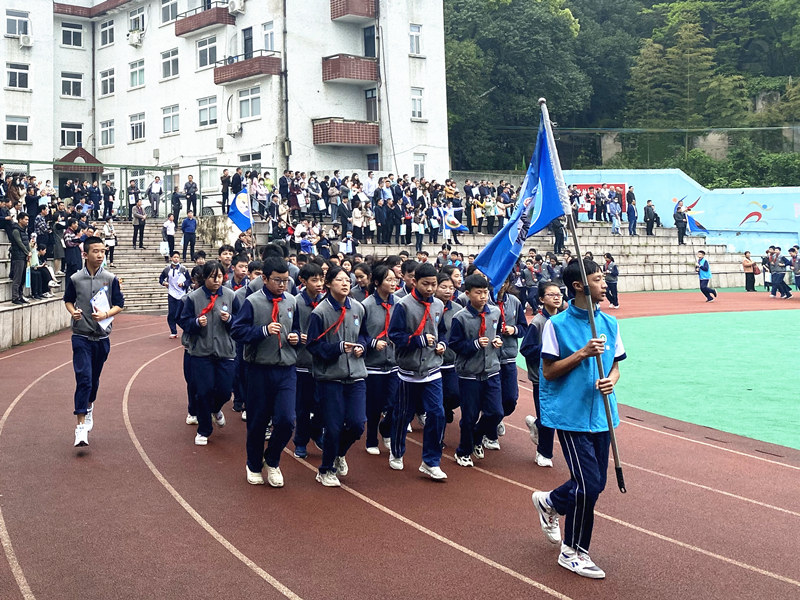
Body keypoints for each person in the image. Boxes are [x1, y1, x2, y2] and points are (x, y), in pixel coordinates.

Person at [532, 258, 626, 579]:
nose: (604, 284)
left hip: (602, 415)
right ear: (579, 286)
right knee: (588, 486)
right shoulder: (555, 326)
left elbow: (616, 364)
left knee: (594, 483)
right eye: (598, 279)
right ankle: (573, 551)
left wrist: (612, 379)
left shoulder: (610, 323)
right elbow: (548, 371)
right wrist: (582, 354)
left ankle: (551, 502)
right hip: (570, 416)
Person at [230, 257, 300, 487]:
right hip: (259, 369)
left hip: (286, 368)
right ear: (264, 279)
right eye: (277, 280)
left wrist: (296, 337)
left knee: (287, 420)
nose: (282, 285)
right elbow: (237, 332)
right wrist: (262, 330)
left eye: (286, 280)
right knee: (258, 421)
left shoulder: (291, 302)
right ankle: (253, 464)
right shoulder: (252, 302)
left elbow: (297, 329)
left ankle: (272, 459)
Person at [306, 266, 368, 487]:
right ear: (329, 283)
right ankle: (325, 469)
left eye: (347, 280)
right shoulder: (320, 313)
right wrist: (337, 348)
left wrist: (362, 346)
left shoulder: (358, 309)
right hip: (330, 377)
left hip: (357, 375)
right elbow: (313, 345)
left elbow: (364, 335)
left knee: (357, 424)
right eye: (339, 280)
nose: (345, 283)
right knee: (332, 427)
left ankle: (339, 453)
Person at [386, 262, 448, 480]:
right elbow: (394, 335)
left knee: (437, 414)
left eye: (433, 284)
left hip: (432, 369)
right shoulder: (403, 305)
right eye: (426, 284)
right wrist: (417, 340)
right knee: (403, 415)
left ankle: (431, 461)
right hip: (408, 371)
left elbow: (442, 332)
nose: (430, 289)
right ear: (414, 282)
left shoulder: (440, 305)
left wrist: (443, 345)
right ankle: (397, 451)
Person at [64, 236, 125, 447]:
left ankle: (89, 406)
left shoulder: (110, 278)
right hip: (80, 336)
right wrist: (74, 313)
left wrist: (106, 313)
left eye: (103, 251)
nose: (100, 255)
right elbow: (68, 300)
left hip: (102, 338)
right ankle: (80, 427)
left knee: (94, 380)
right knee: (84, 378)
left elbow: (120, 304)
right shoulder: (74, 278)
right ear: (85, 254)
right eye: (96, 251)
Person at [448, 274, 504, 467]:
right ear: (467, 293)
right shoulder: (460, 318)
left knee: (496, 413)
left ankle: (477, 436)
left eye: (485, 292)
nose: (482, 296)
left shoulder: (495, 313)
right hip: (469, 373)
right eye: (478, 292)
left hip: (492, 370)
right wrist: (474, 344)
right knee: (470, 415)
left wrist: (498, 342)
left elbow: (497, 333)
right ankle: (463, 451)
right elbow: (454, 344)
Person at [178, 261, 236, 446]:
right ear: (205, 277)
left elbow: (242, 323)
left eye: (220, 276)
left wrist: (230, 320)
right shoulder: (193, 298)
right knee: (203, 391)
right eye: (212, 277)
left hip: (225, 351)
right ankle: (204, 430)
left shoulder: (231, 296)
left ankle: (216, 409)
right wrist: (195, 323)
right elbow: (183, 321)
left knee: (225, 391)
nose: (217, 280)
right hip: (201, 352)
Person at [519, 281, 563, 468]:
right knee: (548, 415)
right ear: (541, 299)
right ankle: (543, 453)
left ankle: (537, 425)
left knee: (555, 414)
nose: (556, 297)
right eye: (551, 294)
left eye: (559, 294)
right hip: (542, 377)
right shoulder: (538, 323)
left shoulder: (562, 319)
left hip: (560, 373)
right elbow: (526, 349)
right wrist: (548, 350)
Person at [359, 264, 399, 455]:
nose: (393, 283)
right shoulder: (365, 306)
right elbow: (359, 335)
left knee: (394, 403)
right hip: (373, 364)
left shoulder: (399, 304)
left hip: (394, 363)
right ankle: (371, 439)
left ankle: (386, 429)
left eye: (394, 279)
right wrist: (373, 342)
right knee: (374, 405)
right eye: (388, 280)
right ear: (377, 282)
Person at [292, 262, 325, 458]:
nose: (319, 284)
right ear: (303, 281)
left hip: (321, 361)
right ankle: (301, 441)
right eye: (314, 280)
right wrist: (297, 335)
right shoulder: (295, 302)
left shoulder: (326, 302)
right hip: (302, 361)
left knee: (323, 403)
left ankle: (317, 430)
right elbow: (288, 327)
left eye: (321, 279)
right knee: (303, 406)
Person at [159, 251, 190, 339]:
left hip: (181, 294)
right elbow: (161, 278)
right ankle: (173, 331)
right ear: (171, 258)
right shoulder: (167, 269)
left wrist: (183, 284)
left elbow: (189, 280)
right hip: (171, 293)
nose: (176, 259)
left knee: (181, 313)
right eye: (174, 257)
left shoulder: (183, 269)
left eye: (178, 257)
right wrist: (164, 283)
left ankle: (186, 329)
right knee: (172, 313)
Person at [9, 212, 31, 305]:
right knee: (17, 278)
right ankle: (15, 297)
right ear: (20, 219)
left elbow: (27, 243)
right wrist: (27, 252)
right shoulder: (15, 230)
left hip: (24, 257)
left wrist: (29, 252)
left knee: (22, 278)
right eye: (25, 219)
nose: (27, 221)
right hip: (18, 257)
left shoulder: (24, 230)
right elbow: (19, 243)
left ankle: (20, 295)